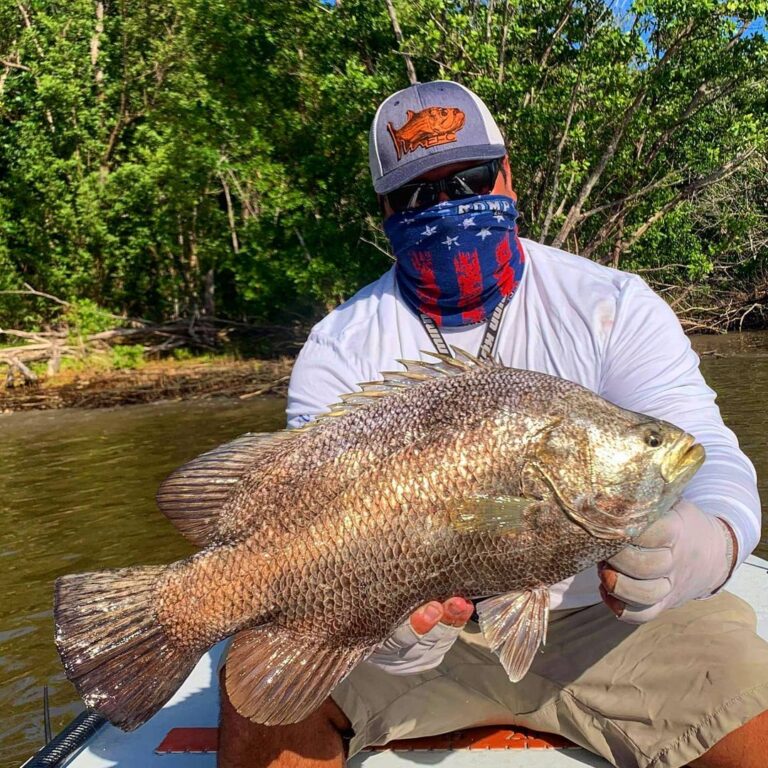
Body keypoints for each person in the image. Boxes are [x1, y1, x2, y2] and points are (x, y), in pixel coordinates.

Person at [219, 81, 768, 768]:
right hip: (418, 648)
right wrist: (386, 632)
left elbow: (705, 449)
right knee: (257, 692)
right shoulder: (339, 346)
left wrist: (704, 543)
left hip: (610, 627)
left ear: (506, 174)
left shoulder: (609, 305)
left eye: (468, 179)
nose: (445, 206)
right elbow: (304, 522)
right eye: (417, 195)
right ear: (385, 210)